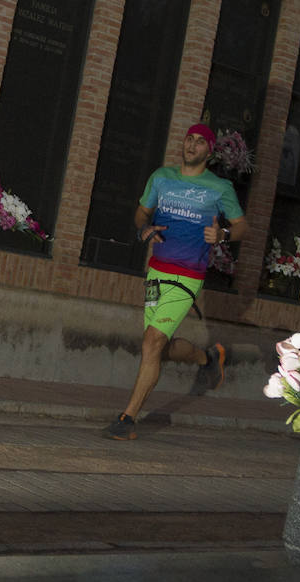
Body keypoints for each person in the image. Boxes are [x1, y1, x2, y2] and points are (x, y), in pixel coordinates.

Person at [106, 123, 249, 440]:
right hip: (157, 272)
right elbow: (141, 213)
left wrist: (223, 234)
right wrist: (144, 228)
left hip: (188, 275)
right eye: (189, 139)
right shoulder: (161, 178)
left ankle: (127, 419)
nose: (192, 145)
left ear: (209, 151)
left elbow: (241, 227)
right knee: (157, 346)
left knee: (151, 342)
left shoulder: (219, 188)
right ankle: (206, 357)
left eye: (200, 142)